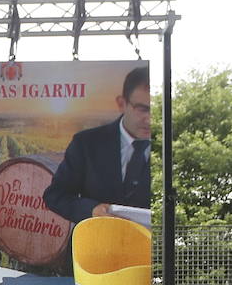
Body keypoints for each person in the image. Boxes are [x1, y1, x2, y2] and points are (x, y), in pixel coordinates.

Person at [42, 66, 152, 224]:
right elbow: (55, 196)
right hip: (92, 245)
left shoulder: (174, 148)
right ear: (121, 103)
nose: (150, 120)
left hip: (149, 248)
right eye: (143, 109)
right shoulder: (86, 143)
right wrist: (91, 210)